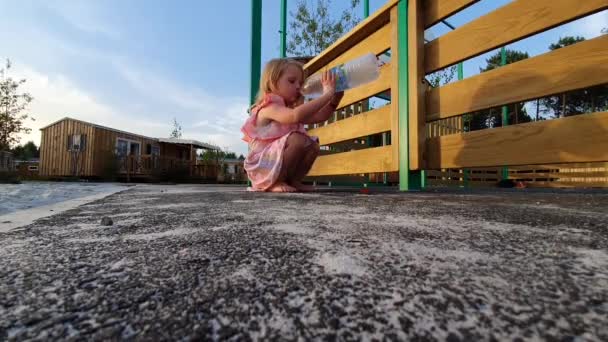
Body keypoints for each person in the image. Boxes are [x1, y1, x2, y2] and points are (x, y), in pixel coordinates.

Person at [241, 58, 344, 192]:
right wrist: (327, 94)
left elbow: (321, 116)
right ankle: (274, 183)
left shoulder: (288, 108)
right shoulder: (269, 107)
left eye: (300, 83)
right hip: (263, 166)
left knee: (312, 145)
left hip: (274, 162)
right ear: (272, 82)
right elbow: (295, 116)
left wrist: (334, 100)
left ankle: (294, 181)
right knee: (297, 139)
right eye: (291, 81)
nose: (298, 86)